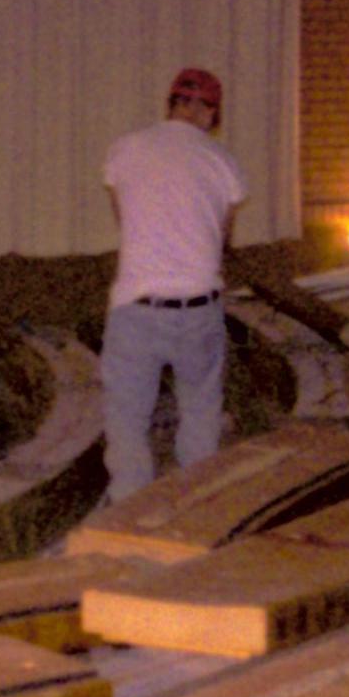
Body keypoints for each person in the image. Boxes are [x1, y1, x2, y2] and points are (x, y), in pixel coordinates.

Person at [100, 66, 243, 502]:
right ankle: (193, 508)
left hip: (137, 307)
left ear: (172, 104)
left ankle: (128, 513)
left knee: (127, 418)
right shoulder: (222, 161)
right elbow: (223, 239)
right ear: (210, 114)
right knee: (200, 411)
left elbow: (124, 218)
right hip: (199, 307)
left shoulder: (125, 149)